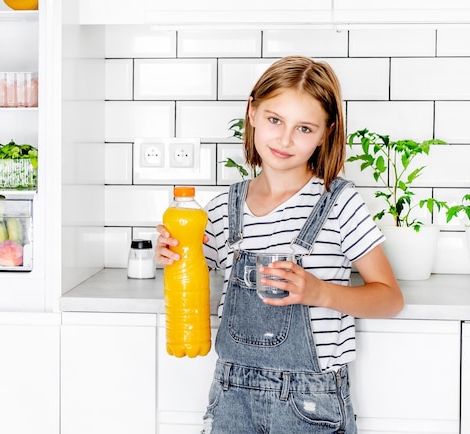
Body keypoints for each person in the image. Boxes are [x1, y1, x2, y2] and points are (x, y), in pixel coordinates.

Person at [155, 55, 403, 434]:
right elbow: (200, 302)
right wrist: (174, 260)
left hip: (311, 404)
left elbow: (389, 298)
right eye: (275, 120)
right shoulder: (222, 209)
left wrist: (319, 292)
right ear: (251, 112)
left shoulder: (338, 202)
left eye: (304, 128)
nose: (285, 139)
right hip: (231, 397)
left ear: (326, 133)